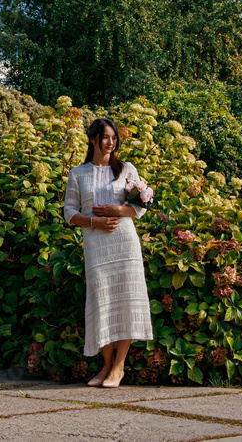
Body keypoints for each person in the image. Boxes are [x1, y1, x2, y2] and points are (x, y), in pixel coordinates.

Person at [62, 117, 154, 387]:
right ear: (93, 140)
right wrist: (94, 222)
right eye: (105, 137)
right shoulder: (78, 173)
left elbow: (139, 208)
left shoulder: (126, 169)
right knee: (102, 299)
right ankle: (105, 366)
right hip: (96, 244)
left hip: (124, 242)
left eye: (113, 138)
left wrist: (115, 211)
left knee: (126, 299)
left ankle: (119, 367)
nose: (110, 142)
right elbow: (69, 212)